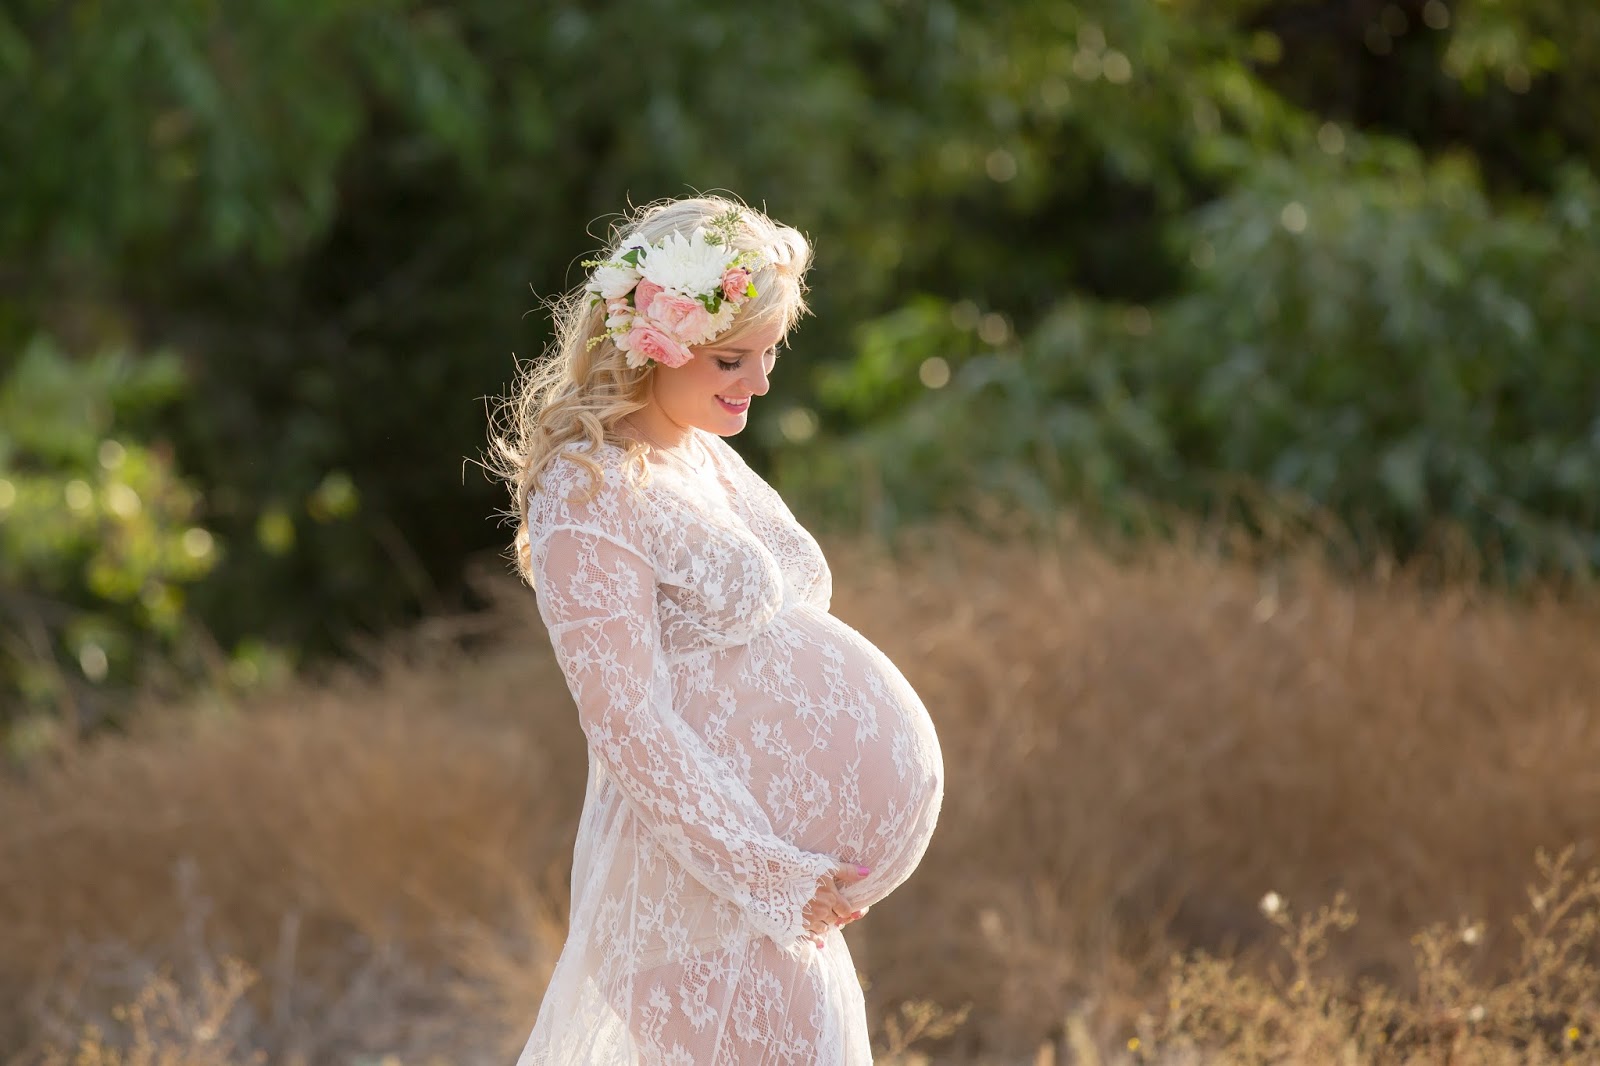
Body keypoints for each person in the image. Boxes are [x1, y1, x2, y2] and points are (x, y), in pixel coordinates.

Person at [492, 196, 945, 1065]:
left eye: (769, 353)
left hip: (753, 891)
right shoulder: (587, 486)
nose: (763, 381)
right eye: (734, 357)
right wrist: (767, 871)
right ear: (649, 339)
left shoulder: (700, 452)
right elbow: (625, 718)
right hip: (688, 893)